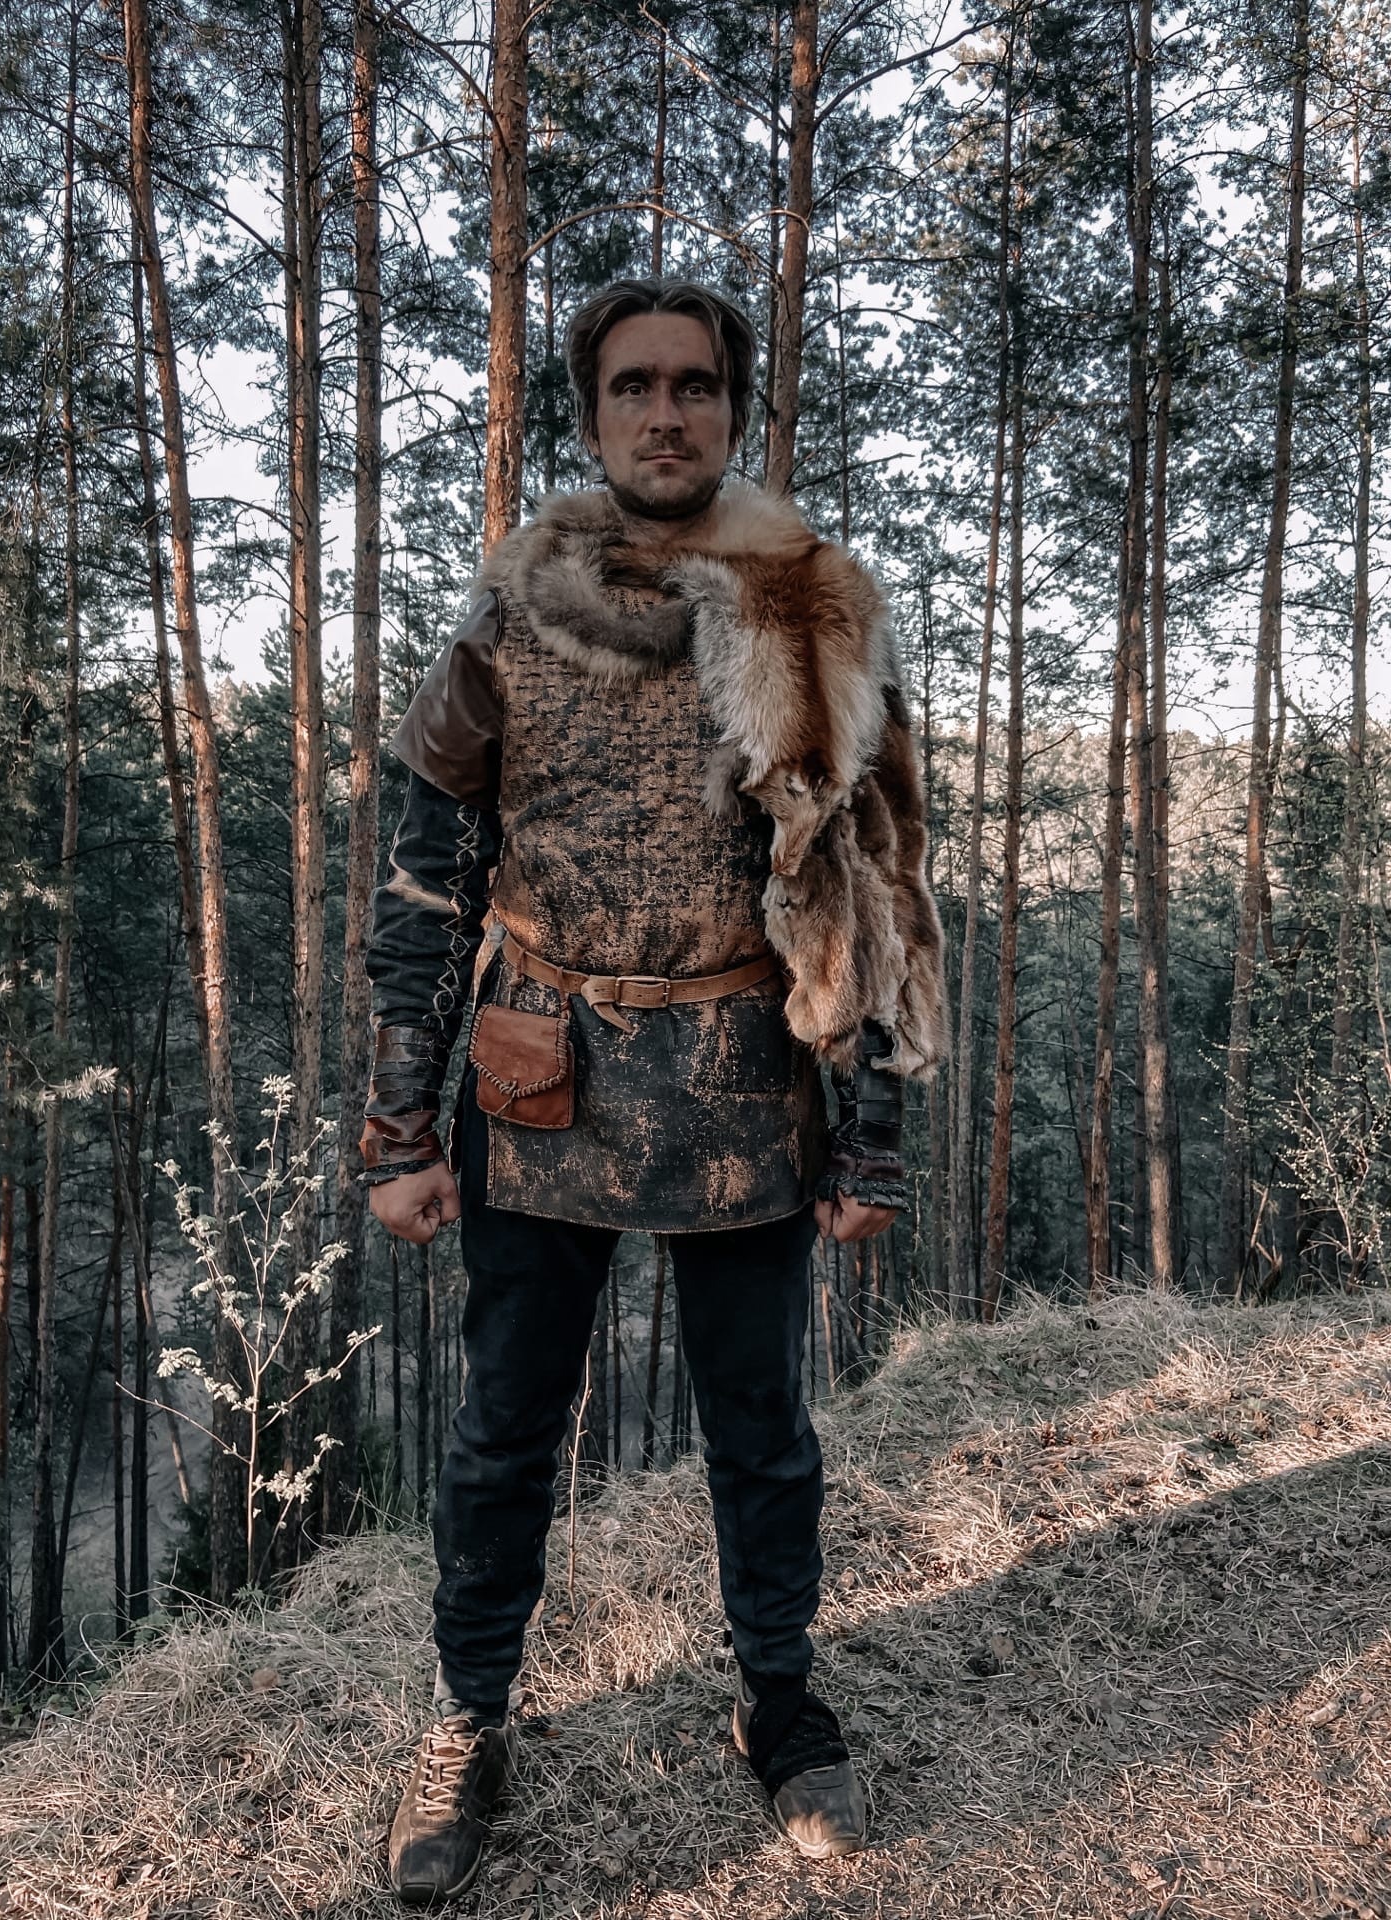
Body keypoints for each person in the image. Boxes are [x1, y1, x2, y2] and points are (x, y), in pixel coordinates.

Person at [361, 276, 948, 1905]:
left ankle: (781, 1705)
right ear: (594, 411)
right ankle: (469, 1718)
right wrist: (400, 1128)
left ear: (733, 408)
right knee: (503, 1433)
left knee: (762, 1433)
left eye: (695, 384)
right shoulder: (510, 615)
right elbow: (428, 883)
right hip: (535, 1075)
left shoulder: (814, 607)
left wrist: (872, 1134)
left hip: (745, 1077)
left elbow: (876, 883)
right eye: (635, 386)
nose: (666, 412)